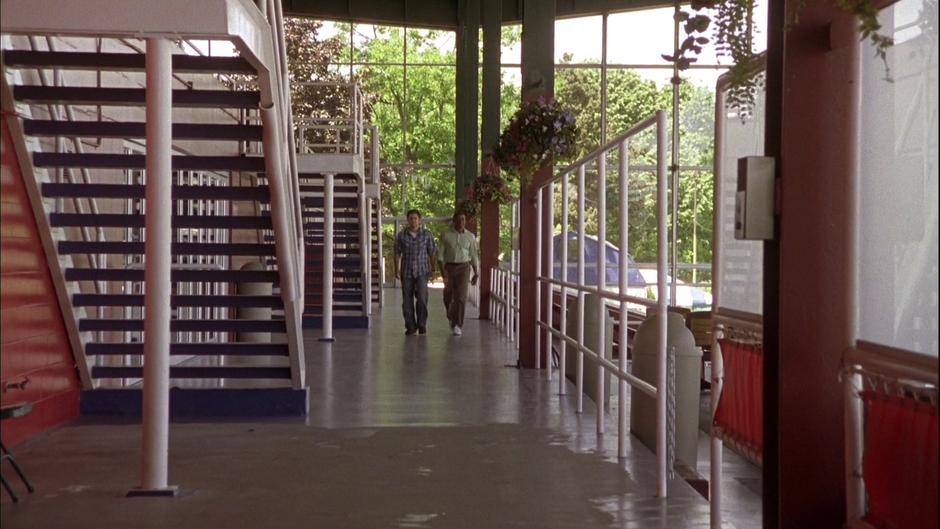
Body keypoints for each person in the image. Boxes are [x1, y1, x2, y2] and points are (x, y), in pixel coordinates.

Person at [395, 209, 437, 335]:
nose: (413, 221)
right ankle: (410, 326)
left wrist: (433, 269)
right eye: (411, 218)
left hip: (422, 271)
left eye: (415, 218)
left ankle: (422, 324)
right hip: (406, 272)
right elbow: (397, 253)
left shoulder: (427, 235)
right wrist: (396, 269)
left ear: (420, 220)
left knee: (422, 299)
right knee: (407, 301)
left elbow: (432, 252)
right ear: (407, 220)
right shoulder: (401, 235)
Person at [437, 211, 479, 336]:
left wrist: (476, 273)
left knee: (461, 297)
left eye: (463, 219)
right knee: (448, 296)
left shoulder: (470, 236)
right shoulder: (445, 235)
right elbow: (440, 256)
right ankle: (451, 316)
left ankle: (458, 324)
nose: (461, 222)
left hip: (464, 268)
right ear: (454, 221)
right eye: (459, 219)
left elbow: (473, 255)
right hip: (449, 268)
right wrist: (443, 273)